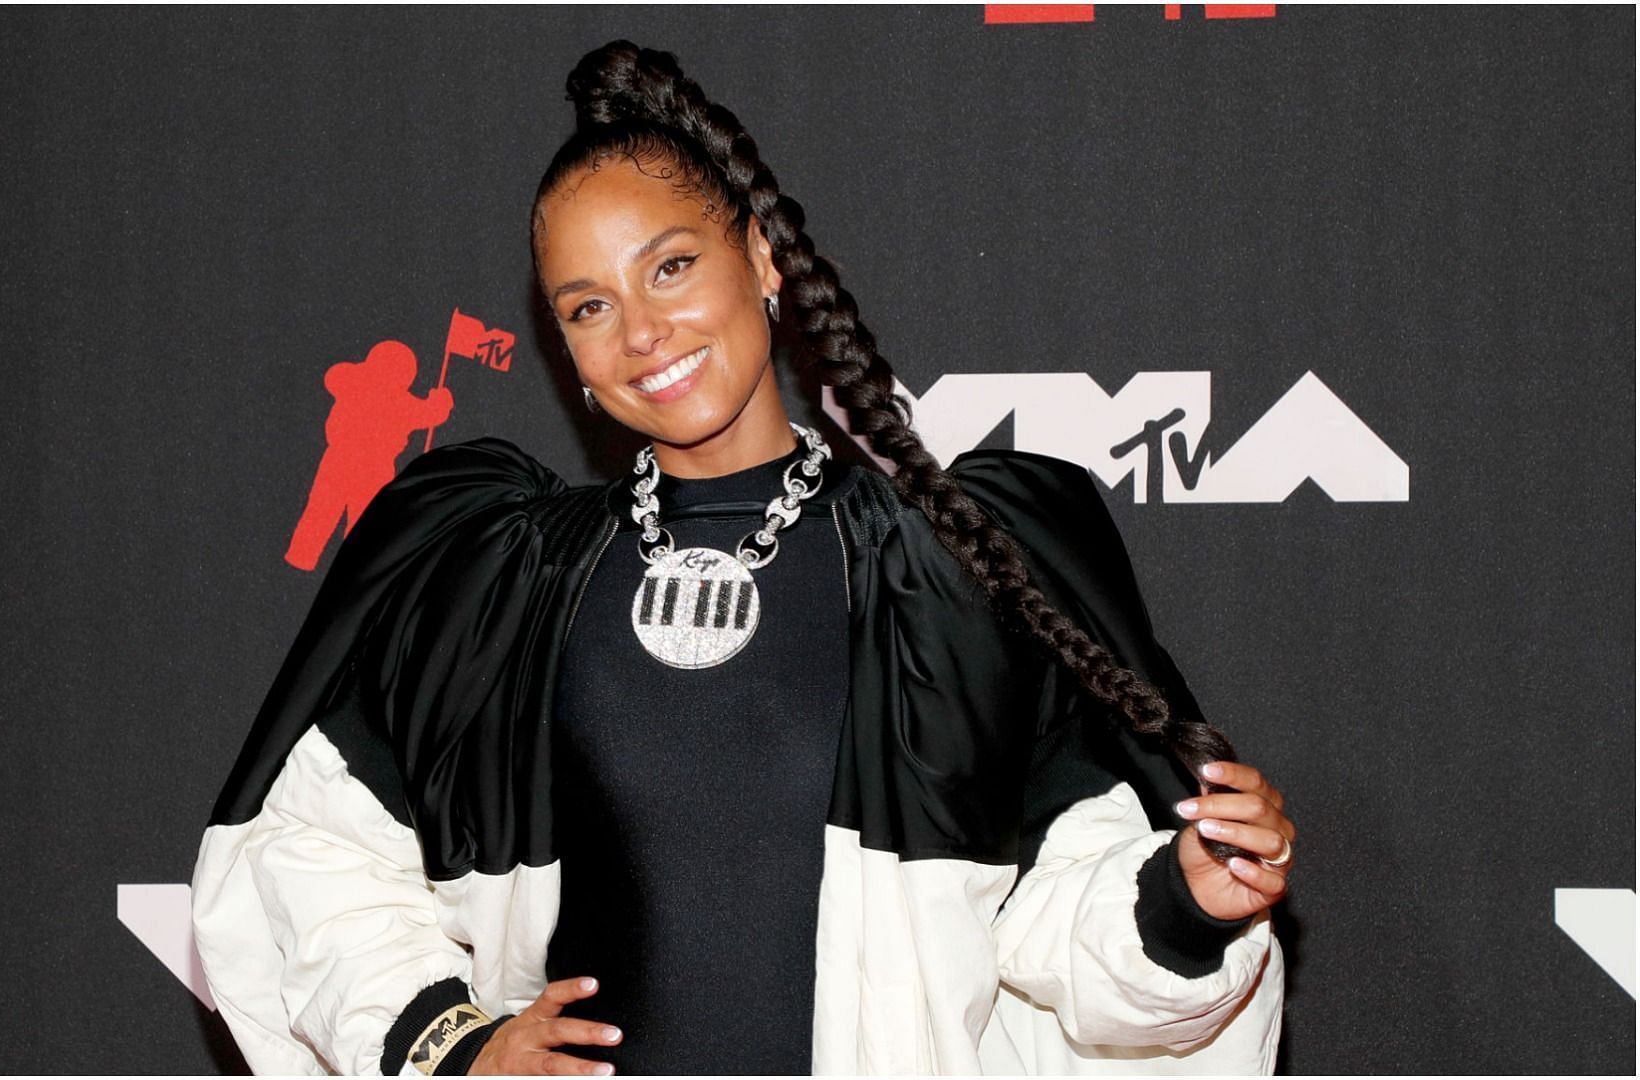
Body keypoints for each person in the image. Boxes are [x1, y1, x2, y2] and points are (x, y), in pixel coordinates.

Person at [192, 40, 1293, 1076]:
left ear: (761, 255)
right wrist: (453, 1039)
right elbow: (309, 852)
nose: (642, 332)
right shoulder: (502, 585)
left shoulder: (953, 576)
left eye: (671, 266)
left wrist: (1184, 906)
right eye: (590, 306)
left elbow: (1059, 926)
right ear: (562, 345)